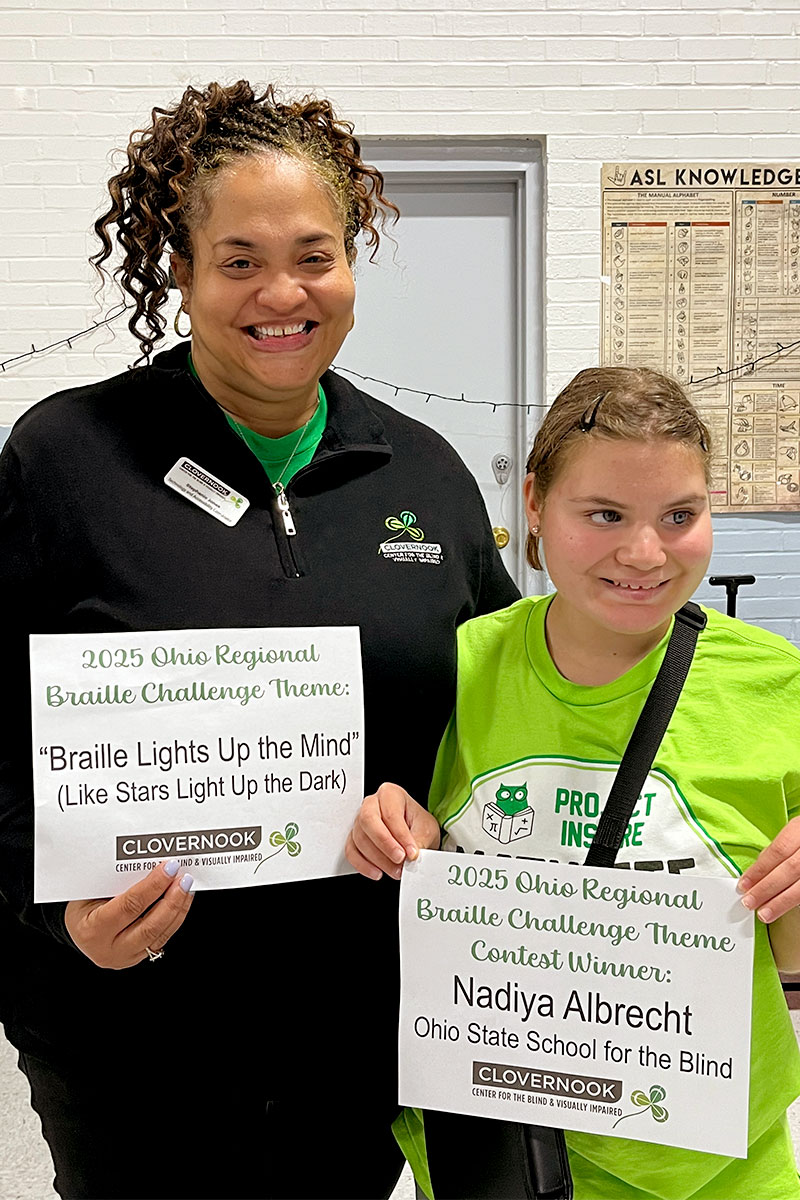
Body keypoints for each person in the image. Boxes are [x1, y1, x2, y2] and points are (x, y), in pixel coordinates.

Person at [0, 80, 519, 1200]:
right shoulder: (68, 459)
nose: (282, 293)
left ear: (352, 261)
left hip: (357, 1028)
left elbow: (518, 692)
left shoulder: (420, 472)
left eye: (314, 255)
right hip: (132, 1030)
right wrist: (56, 920)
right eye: (237, 260)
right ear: (177, 270)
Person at [347, 366, 800, 1199]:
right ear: (533, 507)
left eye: (680, 516)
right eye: (603, 515)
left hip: (711, 1164)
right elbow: (398, 869)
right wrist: (386, 818)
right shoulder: (455, 666)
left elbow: (789, 954)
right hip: (493, 1152)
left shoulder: (779, 689)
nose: (643, 553)